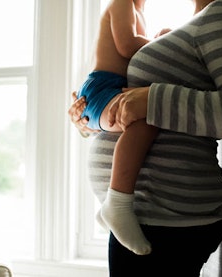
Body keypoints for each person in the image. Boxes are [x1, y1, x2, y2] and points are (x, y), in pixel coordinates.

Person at [69, 0, 222, 275]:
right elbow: (146, 108)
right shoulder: (191, 25)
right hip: (146, 214)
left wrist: (151, 100)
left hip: (168, 220)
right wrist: (90, 122)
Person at [73, 0, 171, 255]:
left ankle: (114, 205)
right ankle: (117, 203)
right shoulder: (122, 3)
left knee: (147, 116)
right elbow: (127, 45)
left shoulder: (140, 11)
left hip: (112, 87)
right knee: (143, 119)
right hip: (102, 89)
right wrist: (164, 43)